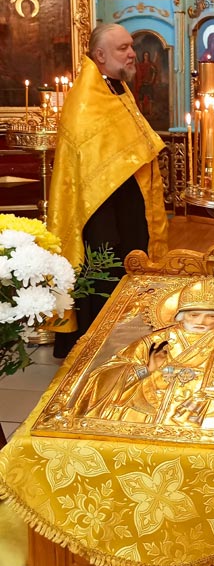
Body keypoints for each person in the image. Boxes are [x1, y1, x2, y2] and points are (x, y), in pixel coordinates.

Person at [48, 23, 169, 357]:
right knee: (106, 276)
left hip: (128, 207)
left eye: (131, 46)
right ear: (100, 55)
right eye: (123, 48)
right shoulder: (86, 99)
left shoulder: (117, 89)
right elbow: (87, 174)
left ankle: (129, 341)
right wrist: (106, 229)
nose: (132, 54)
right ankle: (98, 347)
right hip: (102, 216)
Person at [72, 277, 214, 429]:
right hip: (143, 413)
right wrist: (147, 369)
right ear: (181, 315)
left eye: (211, 316)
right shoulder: (154, 341)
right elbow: (103, 375)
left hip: (198, 418)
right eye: (194, 314)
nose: (202, 321)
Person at [133, 49, 158, 119]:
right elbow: (137, 66)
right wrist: (135, 57)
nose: (146, 57)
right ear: (143, 56)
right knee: (141, 98)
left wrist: (151, 80)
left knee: (150, 98)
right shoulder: (141, 65)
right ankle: (141, 112)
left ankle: (150, 112)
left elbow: (154, 72)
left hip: (149, 84)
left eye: (147, 55)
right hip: (143, 84)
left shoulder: (151, 65)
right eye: (145, 55)